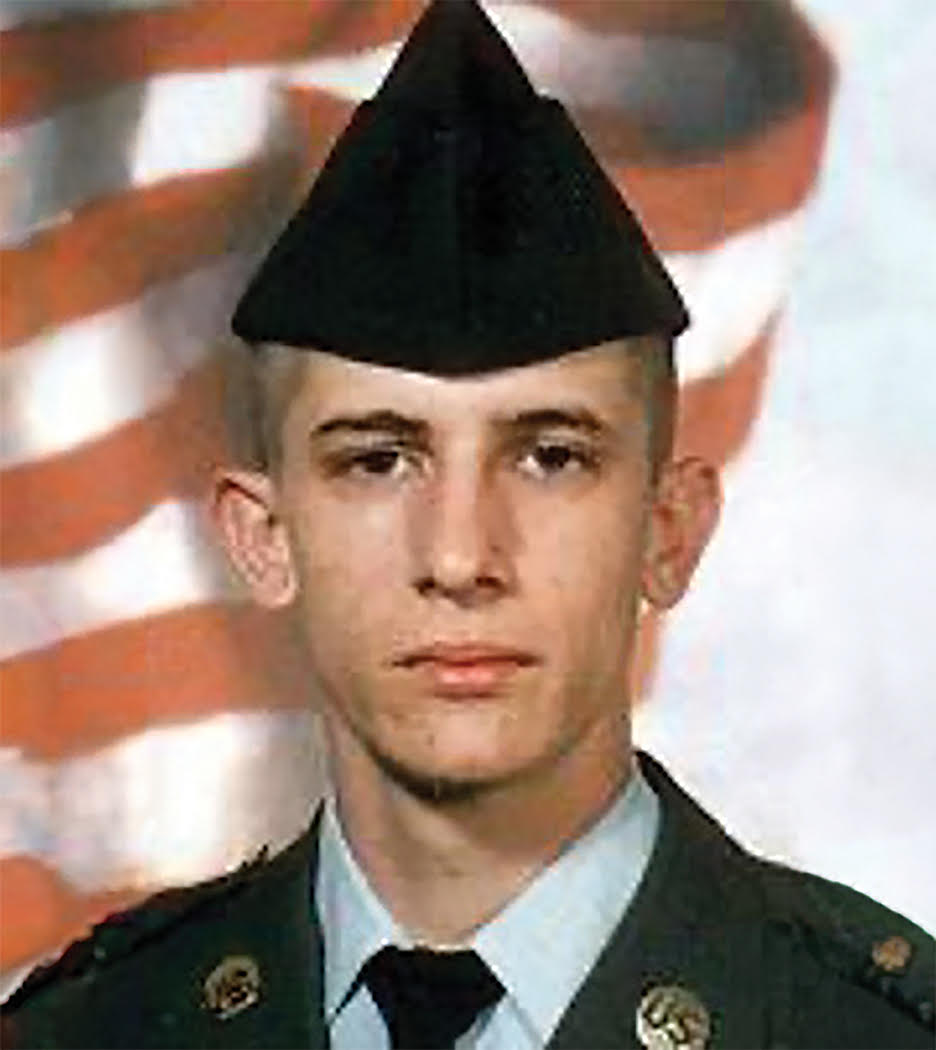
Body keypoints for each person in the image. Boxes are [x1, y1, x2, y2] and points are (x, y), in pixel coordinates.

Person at [2, 2, 933, 1048]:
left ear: (669, 530)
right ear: (262, 537)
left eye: (550, 457)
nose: (458, 557)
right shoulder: (91, 1032)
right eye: (377, 461)